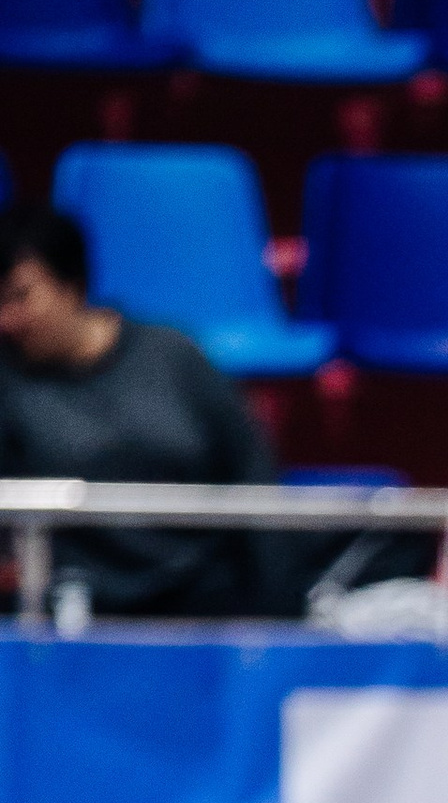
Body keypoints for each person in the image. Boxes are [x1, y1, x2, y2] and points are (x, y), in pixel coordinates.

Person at [0, 203, 283, 621]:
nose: (6, 320)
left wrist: (278, 618)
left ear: (72, 286)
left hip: (205, 606)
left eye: (19, 296)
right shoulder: (7, 384)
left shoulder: (174, 357)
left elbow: (253, 477)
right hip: (79, 617)